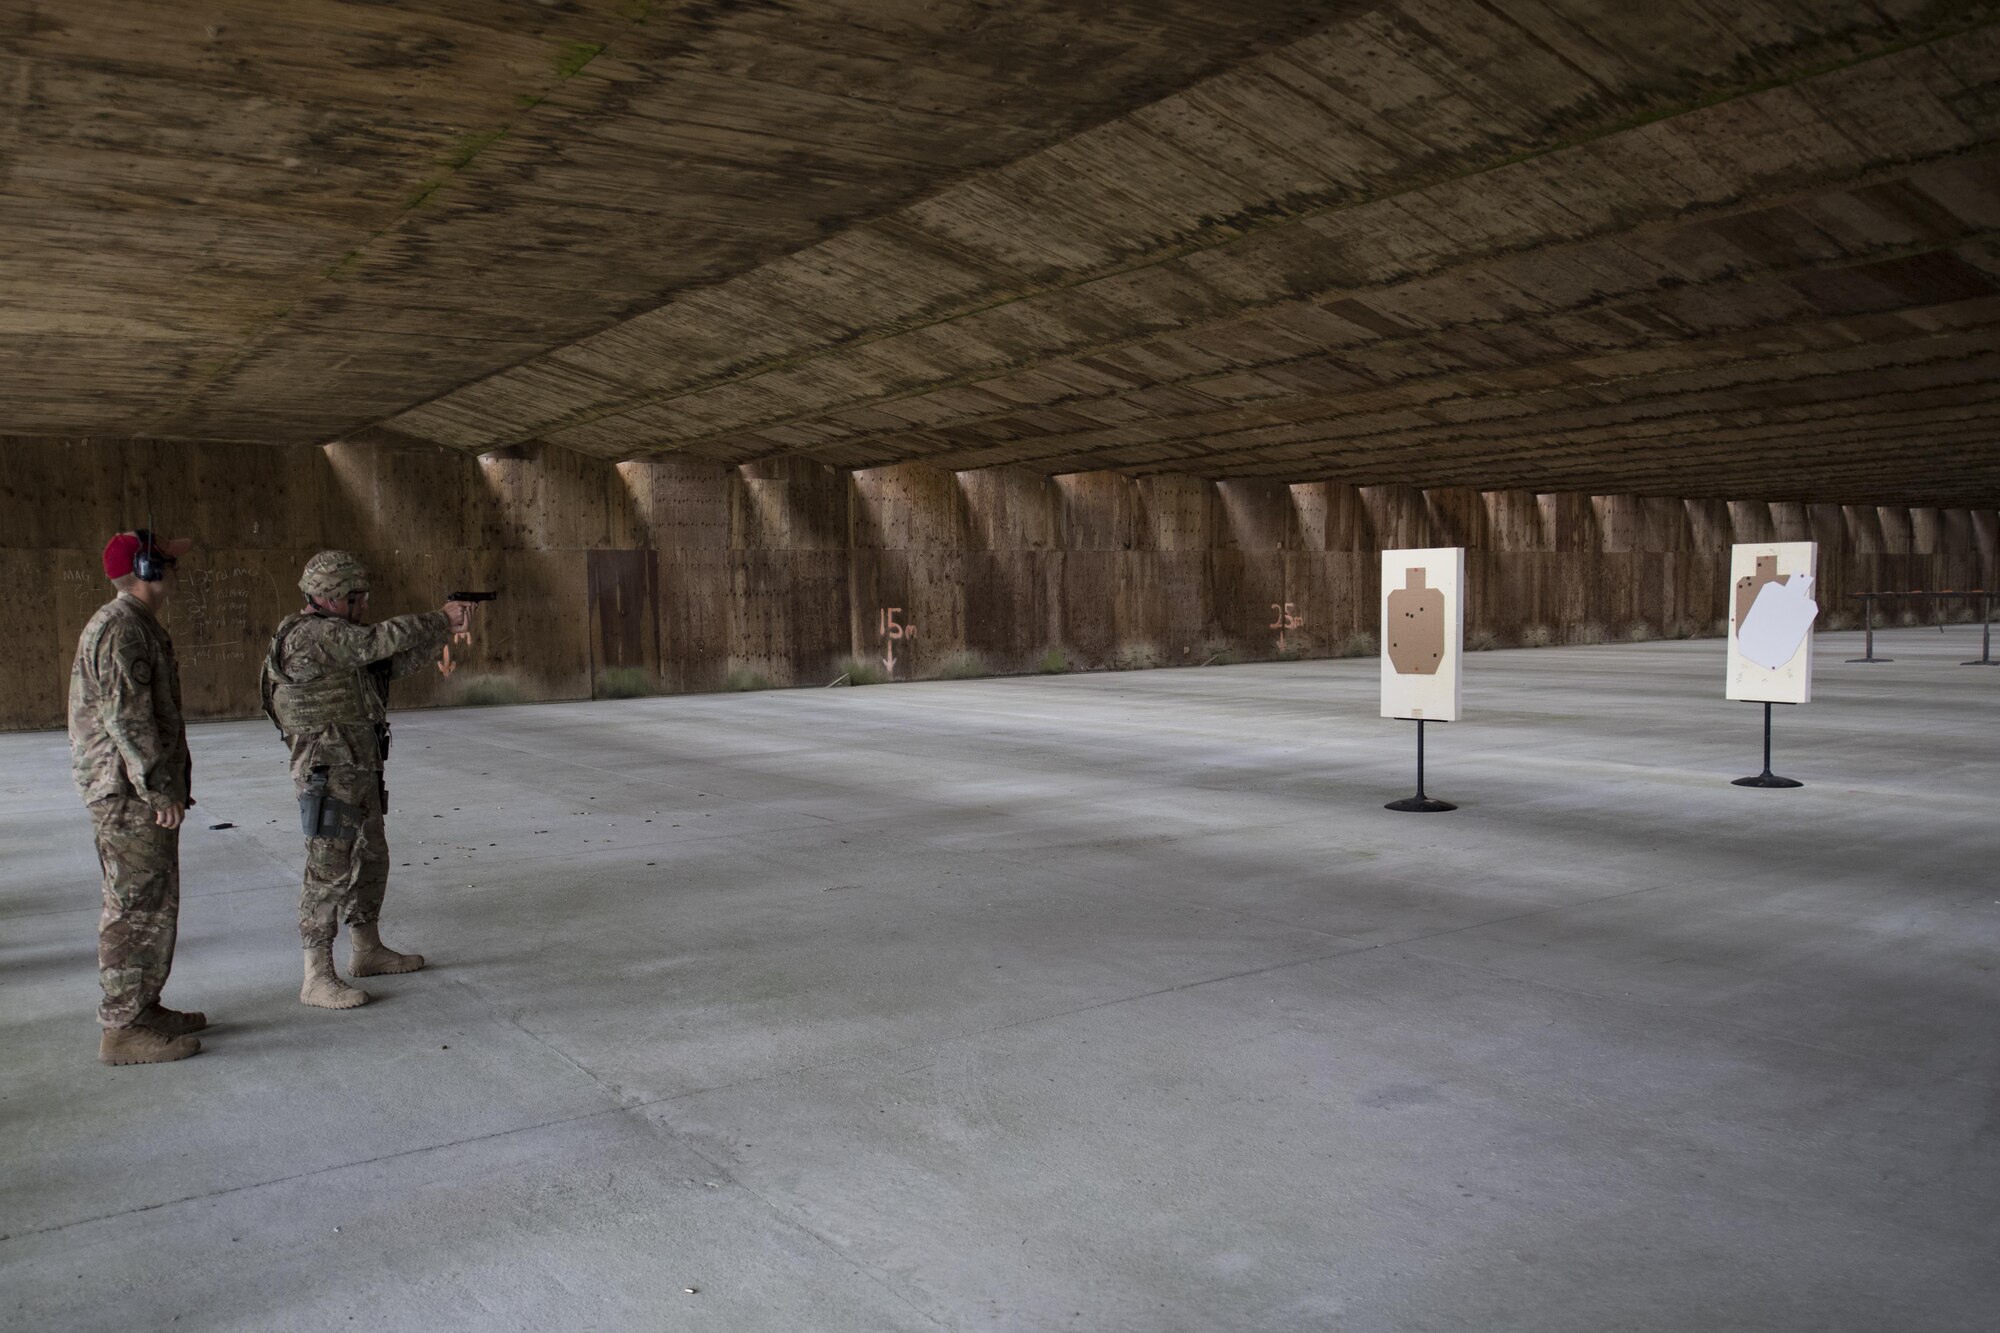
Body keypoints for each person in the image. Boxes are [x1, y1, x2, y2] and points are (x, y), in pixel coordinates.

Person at [261, 551, 474, 1008]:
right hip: (328, 772)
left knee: (370, 856)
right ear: (331, 598)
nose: (363, 605)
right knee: (328, 869)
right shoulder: (311, 636)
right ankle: (316, 976)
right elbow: (377, 642)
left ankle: (367, 949)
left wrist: (443, 634)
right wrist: (438, 617)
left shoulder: (344, 639)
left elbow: (388, 663)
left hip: (359, 766)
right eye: (356, 597)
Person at [70, 529, 205, 1065]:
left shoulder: (136, 624)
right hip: (128, 794)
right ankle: (121, 1028)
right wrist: (158, 789)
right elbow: (127, 719)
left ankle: (142, 1006)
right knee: (133, 907)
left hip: (132, 791)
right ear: (146, 569)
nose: (176, 569)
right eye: (168, 561)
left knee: (153, 904)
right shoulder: (121, 630)